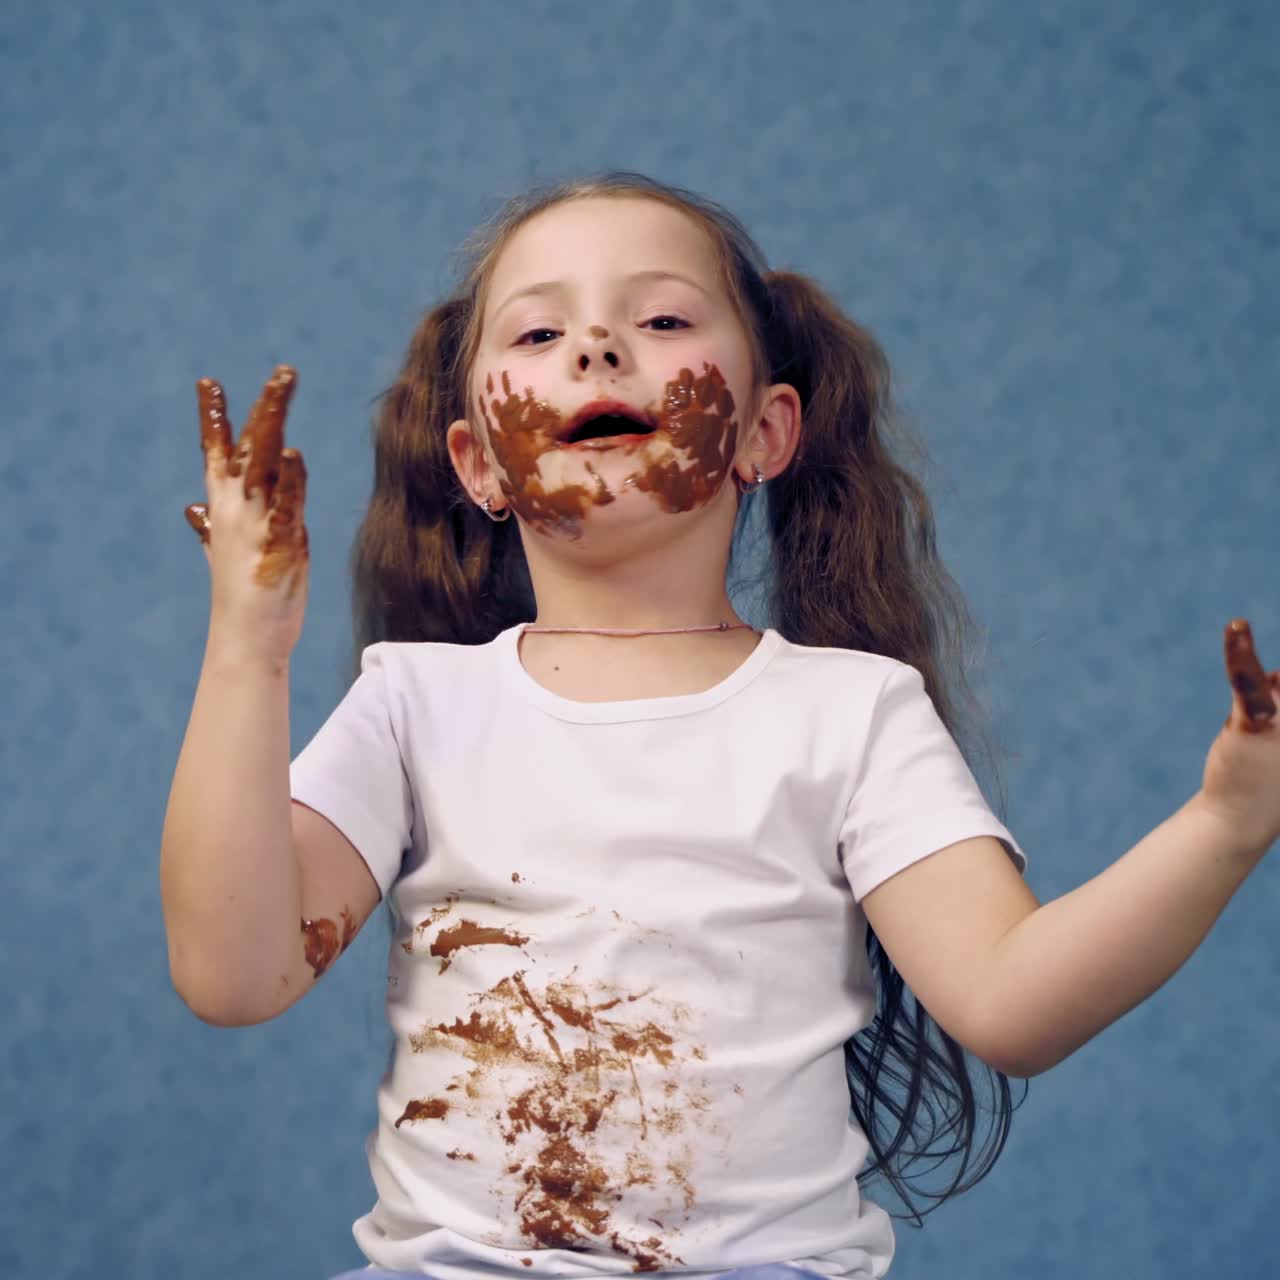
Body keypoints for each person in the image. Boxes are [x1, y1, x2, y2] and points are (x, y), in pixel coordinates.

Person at [161, 172, 1280, 1280]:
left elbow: (1009, 1000)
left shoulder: (848, 712)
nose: (596, 347)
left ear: (763, 430)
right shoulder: (414, 705)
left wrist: (1227, 820)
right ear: (478, 463)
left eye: (659, 318)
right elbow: (232, 971)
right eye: (540, 329)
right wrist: (246, 646)